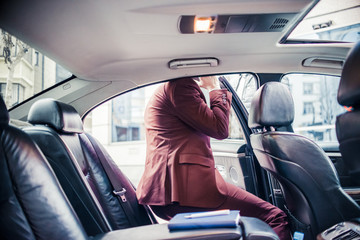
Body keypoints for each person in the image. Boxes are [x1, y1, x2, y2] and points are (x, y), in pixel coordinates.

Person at [136, 76, 291, 239]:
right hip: (180, 193)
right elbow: (219, 129)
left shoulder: (172, 88)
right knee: (274, 218)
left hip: (173, 190)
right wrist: (214, 88)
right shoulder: (181, 87)